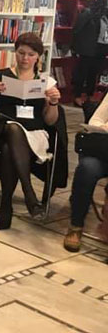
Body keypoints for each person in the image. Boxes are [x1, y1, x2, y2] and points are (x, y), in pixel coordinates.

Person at [0, 32, 63, 230]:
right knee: (13, 128)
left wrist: (53, 103)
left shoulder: (46, 81)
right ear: (15, 52)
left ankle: (6, 206)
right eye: (21, 53)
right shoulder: (1, 75)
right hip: (2, 129)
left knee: (9, 150)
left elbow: (50, 121)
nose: (25, 58)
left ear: (38, 57)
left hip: (34, 133)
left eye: (30, 54)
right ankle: (29, 195)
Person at [64, 96, 108, 251]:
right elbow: (95, 120)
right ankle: (76, 225)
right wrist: (104, 127)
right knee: (87, 168)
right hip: (104, 153)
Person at [71, 0, 108, 106]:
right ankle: (77, 96)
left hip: (101, 49)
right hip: (87, 49)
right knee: (82, 73)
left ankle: (89, 96)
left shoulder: (106, 15)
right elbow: (77, 29)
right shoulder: (88, 13)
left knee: (94, 73)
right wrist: (75, 47)